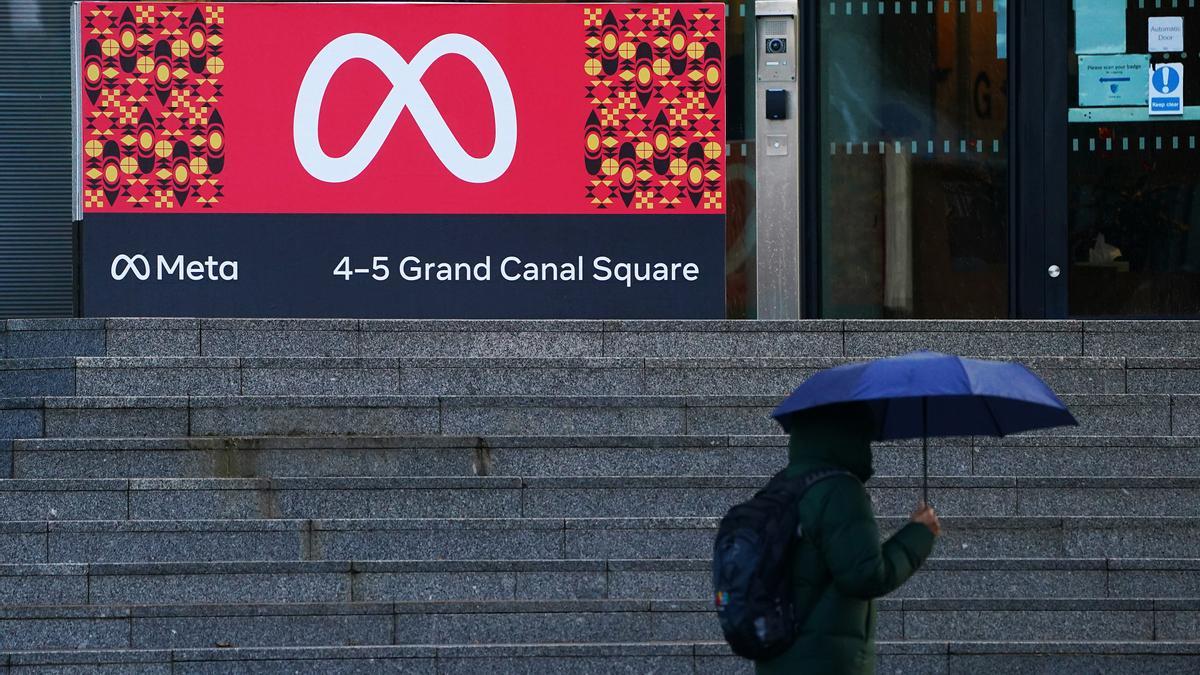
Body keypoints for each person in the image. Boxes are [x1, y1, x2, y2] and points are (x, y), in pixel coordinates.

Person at [756, 403, 941, 675]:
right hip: (825, 660)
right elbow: (864, 576)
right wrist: (919, 534)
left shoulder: (780, 485)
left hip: (777, 657)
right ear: (848, 434)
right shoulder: (839, 491)